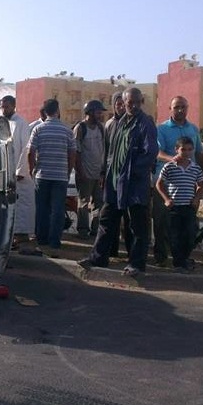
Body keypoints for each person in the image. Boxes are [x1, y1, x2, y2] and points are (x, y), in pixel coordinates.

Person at [78, 88, 159, 276]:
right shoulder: (120, 123)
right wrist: (107, 174)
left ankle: (137, 265)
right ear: (123, 102)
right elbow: (112, 152)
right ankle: (97, 258)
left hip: (134, 185)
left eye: (137, 102)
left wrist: (131, 172)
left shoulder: (145, 123)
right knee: (106, 221)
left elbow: (150, 153)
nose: (134, 106)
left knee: (137, 226)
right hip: (115, 183)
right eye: (130, 102)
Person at [153, 96, 203, 266]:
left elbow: (199, 154)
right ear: (170, 108)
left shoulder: (193, 129)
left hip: (188, 185)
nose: (180, 110)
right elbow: (157, 152)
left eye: (183, 107)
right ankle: (161, 256)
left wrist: (202, 182)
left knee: (188, 224)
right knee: (162, 221)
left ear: (187, 108)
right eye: (177, 107)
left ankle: (182, 257)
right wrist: (172, 159)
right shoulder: (162, 129)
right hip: (166, 183)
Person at [27, 99, 76, 255]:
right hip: (60, 176)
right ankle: (55, 241)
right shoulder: (67, 130)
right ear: (57, 110)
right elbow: (73, 153)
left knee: (42, 208)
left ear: (45, 112)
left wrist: (32, 168)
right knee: (57, 209)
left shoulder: (38, 129)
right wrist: (67, 171)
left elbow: (30, 151)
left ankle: (42, 239)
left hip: (42, 174)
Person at [155, 136, 203, 272]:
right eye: (183, 149)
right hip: (174, 207)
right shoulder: (169, 167)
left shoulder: (195, 168)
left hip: (189, 207)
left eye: (189, 149)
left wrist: (196, 199)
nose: (186, 152)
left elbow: (201, 185)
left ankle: (184, 258)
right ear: (176, 149)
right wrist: (166, 199)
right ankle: (179, 263)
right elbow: (159, 184)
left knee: (189, 234)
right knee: (175, 236)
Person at [0, 95, 35, 247]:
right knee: (10, 205)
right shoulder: (5, 124)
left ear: (14, 106)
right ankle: (13, 235)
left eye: (6, 106)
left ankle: (22, 236)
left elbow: (26, 147)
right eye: (2, 107)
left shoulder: (21, 123)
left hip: (20, 174)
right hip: (8, 172)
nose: (4, 109)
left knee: (22, 206)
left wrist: (21, 171)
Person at [73, 100, 107, 239]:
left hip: (97, 172)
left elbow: (104, 150)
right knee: (83, 202)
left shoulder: (100, 128)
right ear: (90, 112)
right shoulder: (80, 128)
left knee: (98, 203)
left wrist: (102, 171)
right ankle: (82, 230)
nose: (100, 115)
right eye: (98, 112)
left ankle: (95, 230)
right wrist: (80, 172)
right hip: (84, 172)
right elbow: (76, 152)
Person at [104, 92, 132, 257]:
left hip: (128, 178)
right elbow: (106, 151)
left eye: (124, 104)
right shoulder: (109, 125)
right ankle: (111, 251)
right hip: (111, 176)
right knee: (110, 217)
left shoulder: (134, 123)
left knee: (129, 220)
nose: (121, 107)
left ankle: (131, 252)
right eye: (118, 104)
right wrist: (103, 173)